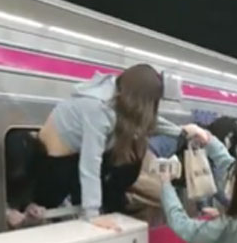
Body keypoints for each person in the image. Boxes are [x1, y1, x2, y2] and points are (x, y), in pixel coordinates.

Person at [36, 64, 209, 231]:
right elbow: (90, 164)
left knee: (126, 162)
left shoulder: (115, 96)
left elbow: (146, 120)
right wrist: (93, 215)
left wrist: (182, 131)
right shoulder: (98, 109)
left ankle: (104, 205)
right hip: (53, 165)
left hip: (70, 160)